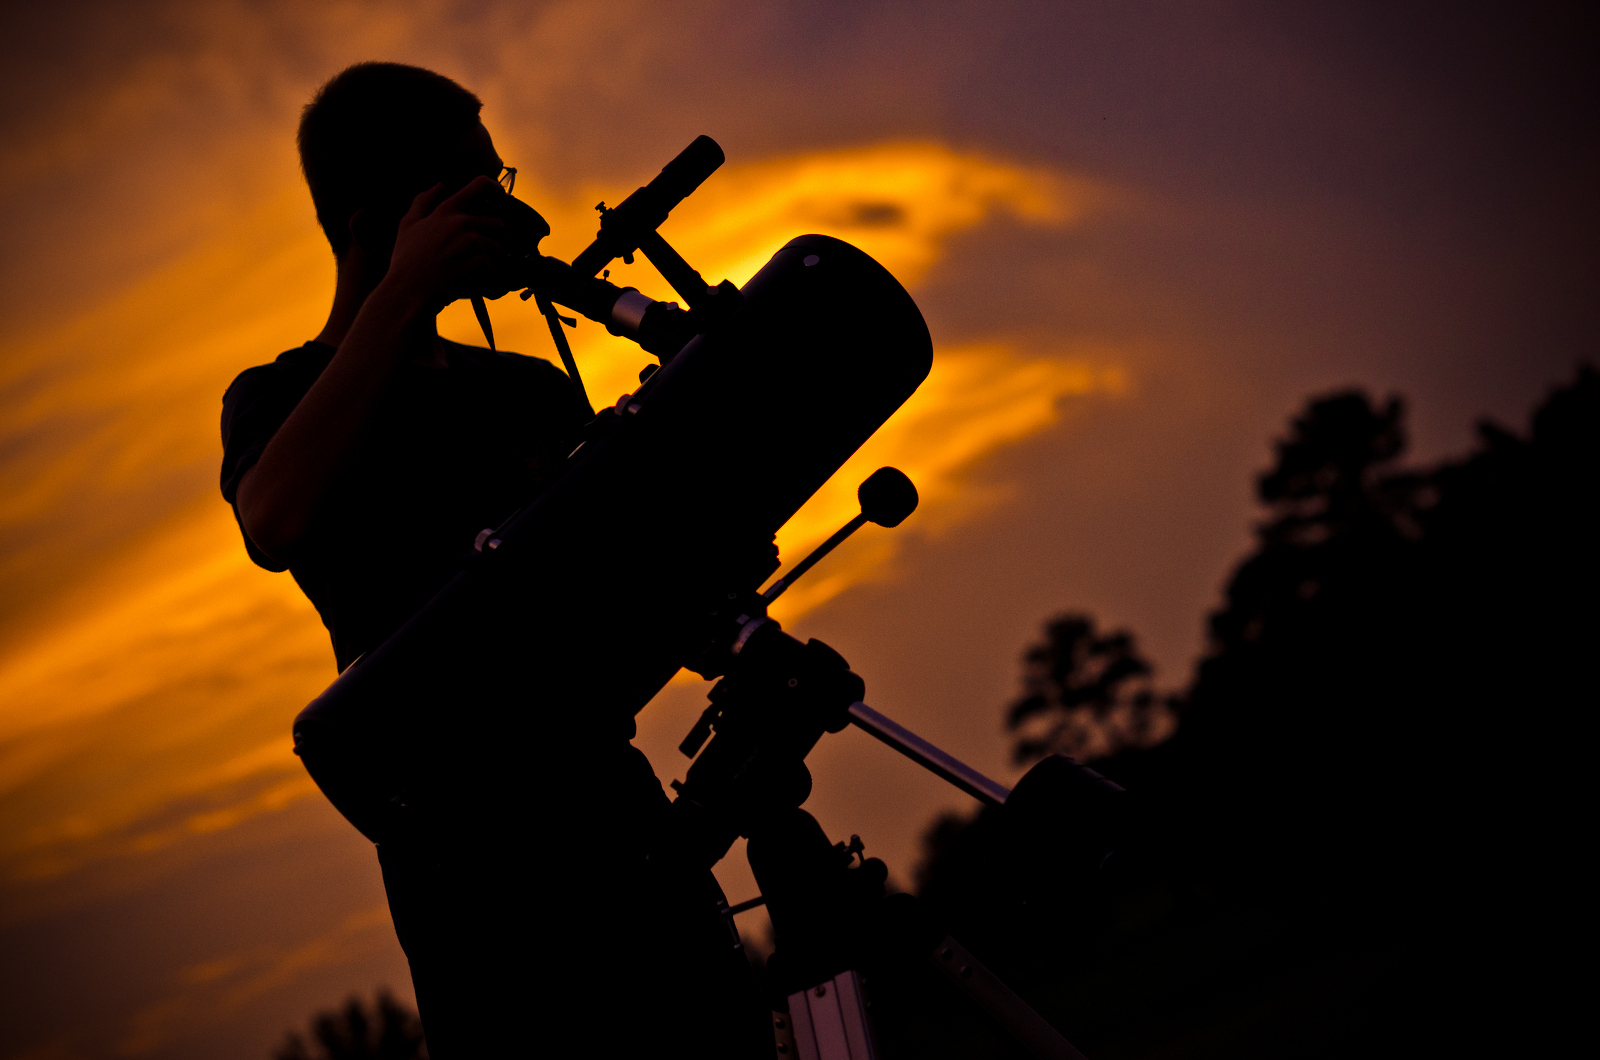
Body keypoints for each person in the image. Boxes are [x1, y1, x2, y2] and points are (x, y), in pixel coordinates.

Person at [220, 63, 766, 1057]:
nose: (521, 218)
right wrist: (405, 291)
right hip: (465, 864)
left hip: (617, 817)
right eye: (482, 190)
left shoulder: (527, 392)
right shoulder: (279, 396)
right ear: (387, 213)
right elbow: (275, 517)